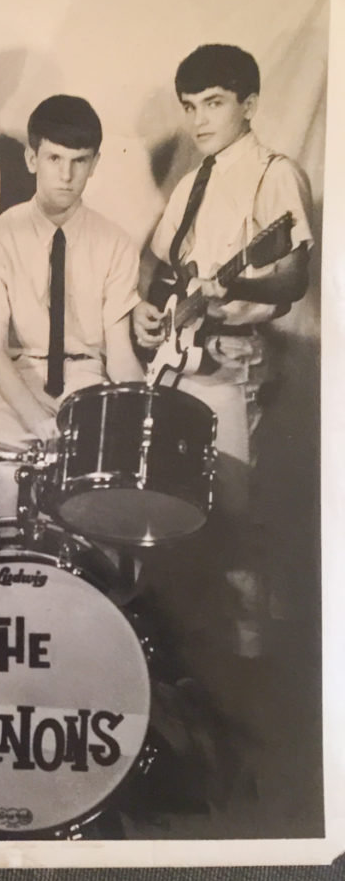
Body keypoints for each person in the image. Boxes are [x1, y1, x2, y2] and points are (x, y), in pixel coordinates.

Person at [132, 43, 313, 661]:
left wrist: (233, 284)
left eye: (214, 103)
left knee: (235, 510)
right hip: (181, 361)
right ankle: (185, 645)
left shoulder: (273, 173)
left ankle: (251, 664)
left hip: (236, 365)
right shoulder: (191, 180)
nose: (200, 119)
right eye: (190, 107)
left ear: (250, 104)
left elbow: (292, 280)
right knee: (174, 502)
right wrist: (151, 309)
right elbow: (159, 263)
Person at [0, 94, 143, 515]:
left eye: (80, 161)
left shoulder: (116, 243)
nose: (67, 175)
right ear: (31, 158)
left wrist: (139, 415)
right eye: (55, 158)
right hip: (15, 387)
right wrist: (36, 419)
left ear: (95, 163)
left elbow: (122, 356)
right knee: (5, 500)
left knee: (99, 512)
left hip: (87, 385)